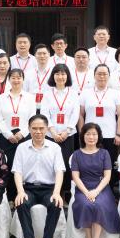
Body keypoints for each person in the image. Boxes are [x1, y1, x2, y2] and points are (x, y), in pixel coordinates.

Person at [13, 114, 66, 238]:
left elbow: (59, 172)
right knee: (21, 203)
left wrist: (56, 193)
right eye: (34, 128)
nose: (38, 132)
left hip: (49, 189)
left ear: (47, 129)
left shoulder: (55, 148)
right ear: (29, 129)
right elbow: (17, 172)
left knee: (55, 203)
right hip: (28, 188)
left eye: (41, 128)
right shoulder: (22, 148)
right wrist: (20, 191)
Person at [69, 123, 120, 238]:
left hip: (101, 187)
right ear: (83, 136)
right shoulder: (76, 154)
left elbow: (107, 176)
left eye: (94, 134)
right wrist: (87, 192)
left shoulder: (104, 153)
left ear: (98, 136)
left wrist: (96, 191)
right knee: (85, 204)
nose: (91, 137)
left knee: (99, 204)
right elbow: (75, 177)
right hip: (83, 187)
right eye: (88, 134)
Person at [78, 64, 120, 189]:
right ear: (94, 75)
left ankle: (108, 190)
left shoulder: (115, 93)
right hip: (90, 136)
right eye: (99, 74)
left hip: (110, 135)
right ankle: (90, 188)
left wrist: (119, 134)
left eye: (105, 74)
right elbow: (81, 115)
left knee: (108, 164)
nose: (102, 76)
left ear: (109, 76)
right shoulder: (85, 93)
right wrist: (82, 133)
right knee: (90, 163)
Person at [0, 68, 36, 201]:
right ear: (9, 79)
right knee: (7, 166)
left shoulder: (29, 98)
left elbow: (32, 118)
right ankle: (10, 197)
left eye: (19, 77)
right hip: (6, 137)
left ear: (23, 79)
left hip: (24, 136)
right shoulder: (2, 97)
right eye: (13, 77)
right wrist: (8, 134)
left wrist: (22, 133)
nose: (16, 80)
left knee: (25, 166)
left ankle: (24, 196)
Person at [43, 63, 80, 197]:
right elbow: (45, 114)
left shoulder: (73, 94)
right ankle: (51, 192)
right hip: (50, 135)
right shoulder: (47, 94)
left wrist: (67, 131)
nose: (60, 77)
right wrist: (53, 132)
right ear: (53, 76)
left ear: (67, 76)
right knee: (50, 163)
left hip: (67, 135)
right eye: (57, 74)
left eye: (63, 74)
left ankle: (65, 194)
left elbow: (75, 114)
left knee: (66, 163)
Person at [27, 44, 54, 111]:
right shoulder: (28, 73)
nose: (42, 56)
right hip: (31, 107)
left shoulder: (54, 73)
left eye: (44, 53)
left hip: (49, 107)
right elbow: (25, 91)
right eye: (39, 54)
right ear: (35, 56)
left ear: (49, 55)